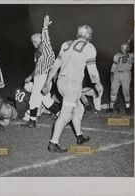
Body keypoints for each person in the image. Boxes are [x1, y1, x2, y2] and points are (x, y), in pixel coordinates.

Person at [42, 25, 103, 153]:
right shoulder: (89, 47)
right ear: (87, 35)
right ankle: (53, 143)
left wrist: (47, 82)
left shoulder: (66, 44)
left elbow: (55, 65)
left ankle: (79, 136)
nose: (91, 36)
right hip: (72, 84)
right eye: (90, 34)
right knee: (66, 114)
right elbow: (92, 70)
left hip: (62, 83)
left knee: (79, 108)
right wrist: (98, 84)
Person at [22, 15, 56, 128]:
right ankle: (63, 115)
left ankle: (32, 122)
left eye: (36, 42)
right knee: (46, 100)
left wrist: (45, 27)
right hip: (40, 77)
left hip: (43, 77)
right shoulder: (41, 53)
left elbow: (46, 41)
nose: (35, 44)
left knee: (34, 100)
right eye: (33, 42)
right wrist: (32, 76)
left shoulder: (47, 51)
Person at [107, 42, 134, 114]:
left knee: (126, 92)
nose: (123, 49)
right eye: (122, 48)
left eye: (124, 48)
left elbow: (130, 61)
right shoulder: (117, 55)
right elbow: (114, 65)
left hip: (126, 74)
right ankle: (111, 107)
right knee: (113, 91)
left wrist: (126, 53)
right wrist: (111, 74)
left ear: (128, 48)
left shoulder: (132, 54)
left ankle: (127, 108)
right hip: (116, 74)